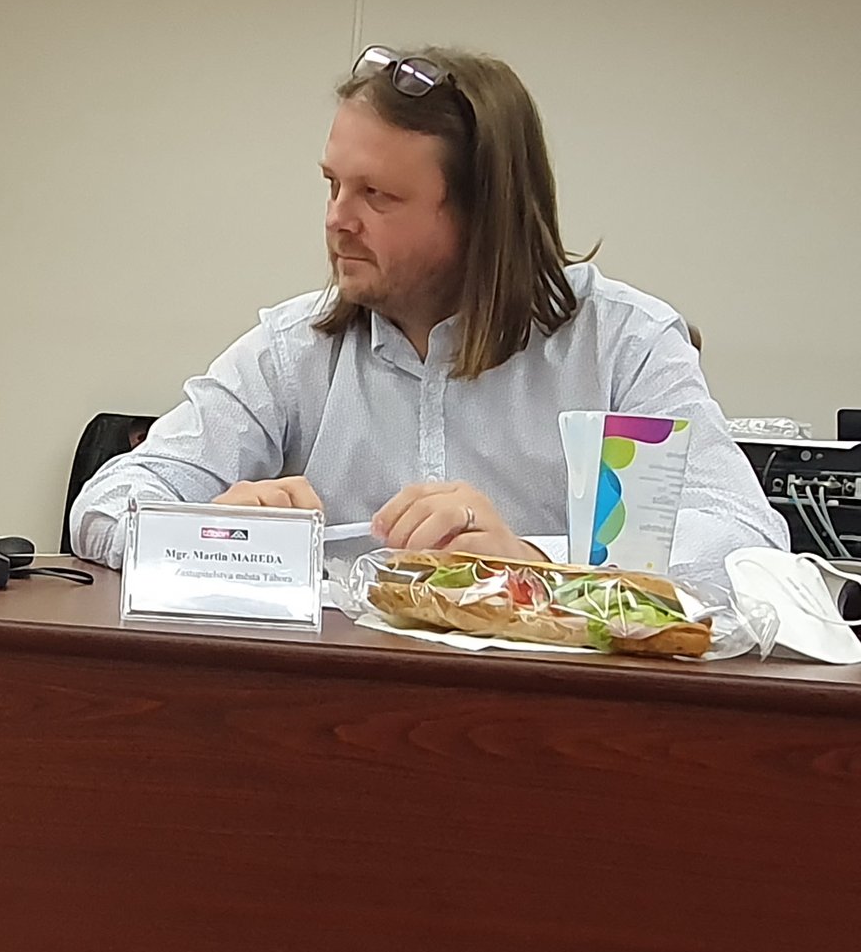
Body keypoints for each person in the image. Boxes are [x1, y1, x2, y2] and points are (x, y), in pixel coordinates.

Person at [70, 45, 785, 577]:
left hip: (553, 715)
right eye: (332, 185)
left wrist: (535, 560)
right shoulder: (294, 350)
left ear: (482, 213)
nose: (337, 220)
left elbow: (743, 539)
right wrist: (208, 531)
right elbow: (108, 502)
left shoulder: (623, 344)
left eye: (377, 196)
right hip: (340, 710)